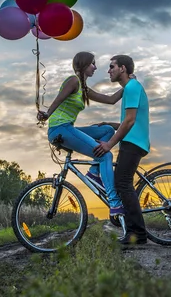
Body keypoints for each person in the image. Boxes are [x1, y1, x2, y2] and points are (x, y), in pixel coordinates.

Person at [37, 51, 125, 216]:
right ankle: (115, 204)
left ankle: (93, 172)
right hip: (60, 128)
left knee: (106, 130)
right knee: (105, 156)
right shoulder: (73, 81)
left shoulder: (84, 88)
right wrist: (47, 115)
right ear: (84, 65)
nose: (95, 67)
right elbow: (58, 99)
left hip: (69, 127)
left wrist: (128, 85)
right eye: (92, 63)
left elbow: (110, 100)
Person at [94, 54, 149, 245]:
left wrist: (109, 144)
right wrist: (110, 124)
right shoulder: (129, 88)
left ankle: (137, 235)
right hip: (133, 140)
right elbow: (128, 120)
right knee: (122, 183)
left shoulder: (132, 87)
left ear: (123, 68)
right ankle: (133, 230)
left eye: (112, 66)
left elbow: (130, 120)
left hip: (133, 142)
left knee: (123, 184)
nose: (109, 70)